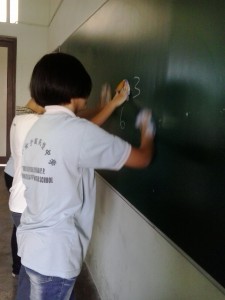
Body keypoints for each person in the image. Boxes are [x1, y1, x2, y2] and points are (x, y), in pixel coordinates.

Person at [16, 52, 154, 300]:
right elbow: (142, 158)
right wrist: (147, 129)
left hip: (31, 247)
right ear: (79, 91)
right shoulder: (78, 133)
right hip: (55, 257)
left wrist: (110, 104)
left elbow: (78, 127)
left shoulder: (37, 127)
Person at [4, 99, 45, 278]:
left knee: (19, 225)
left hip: (12, 173)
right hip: (17, 175)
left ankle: (18, 269)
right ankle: (21, 268)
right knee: (22, 223)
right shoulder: (35, 120)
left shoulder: (21, 117)